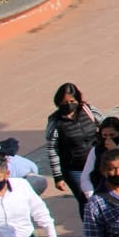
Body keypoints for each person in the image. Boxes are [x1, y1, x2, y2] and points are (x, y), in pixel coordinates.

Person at [45, 82, 104, 217]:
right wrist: (58, 177)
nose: (69, 104)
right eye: (65, 102)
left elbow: (106, 124)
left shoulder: (88, 111)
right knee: (85, 200)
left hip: (97, 163)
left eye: (72, 101)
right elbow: (52, 149)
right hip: (75, 168)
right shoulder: (55, 122)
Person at [79, 117, 119, 198]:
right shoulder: (96, 149)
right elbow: (85, 176)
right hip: (99, 190)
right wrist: (91, 195)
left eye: (112, 135)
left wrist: (116, 150)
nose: (108, 138)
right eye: (105, 135)